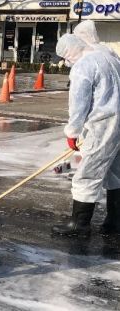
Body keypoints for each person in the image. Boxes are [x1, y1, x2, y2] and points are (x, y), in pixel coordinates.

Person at [52, 33, 120, 237]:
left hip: (102, 125)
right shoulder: (110, 58)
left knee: (87, 174)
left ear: (70, 52)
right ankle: (115, 222)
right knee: (116, 173)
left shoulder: (83, 66)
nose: (67, 62)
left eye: (66, 57)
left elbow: (79, 103)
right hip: (118, 123)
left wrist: (72, 132)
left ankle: (79, 225)